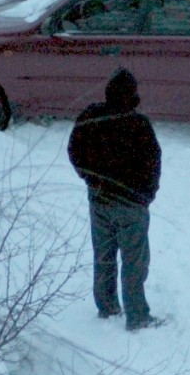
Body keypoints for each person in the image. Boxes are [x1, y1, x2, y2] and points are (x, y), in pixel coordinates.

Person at [68, 68, 164, 331]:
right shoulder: (139, 124)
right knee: (134, 262)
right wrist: (145, 195)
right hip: (131, 206)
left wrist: (91, 179)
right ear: (133, 96)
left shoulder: (90, 117)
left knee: (104, 255)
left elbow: (74, 151)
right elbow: (153, 163)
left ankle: (107, 306)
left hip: (99, 201)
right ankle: (137, 316)